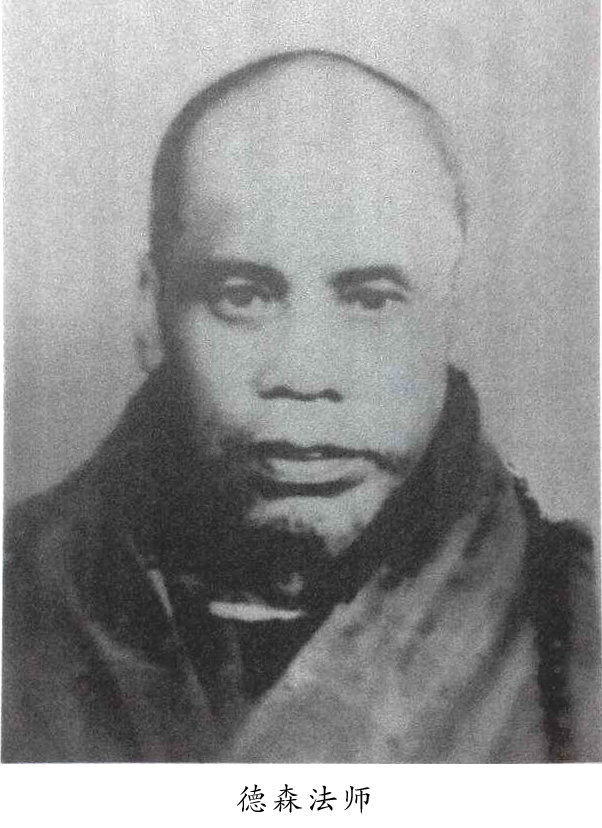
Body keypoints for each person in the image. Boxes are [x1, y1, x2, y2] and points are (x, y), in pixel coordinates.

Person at [2, 49, 600, 763]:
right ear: (149, 312)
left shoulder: (576, 628)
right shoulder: (21, 590)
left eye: (371, 301)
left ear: (449, 315)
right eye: (243, 296)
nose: (305, 375)